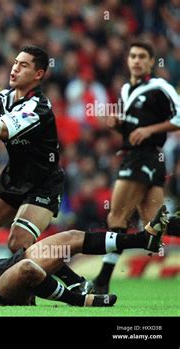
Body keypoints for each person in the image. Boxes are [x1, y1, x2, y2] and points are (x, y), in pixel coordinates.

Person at [0, 45, 91, 293]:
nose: (15, 68)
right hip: (12, 180)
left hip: (42, 184)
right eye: (15, 62)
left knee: (18, 243)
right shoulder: (5, 98)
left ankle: (74, 282)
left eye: (23, 65)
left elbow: (2, 129)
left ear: (38, 74)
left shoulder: (39, 107)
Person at [0, 205, 172, 306]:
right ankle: (79, 299)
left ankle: (141, 239)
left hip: (5, 266)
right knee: (28, 269)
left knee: (68, 238)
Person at [93, 42, 180, 293]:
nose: (137, 60)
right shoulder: (125, 89)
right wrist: (118, 125)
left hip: (143, 157)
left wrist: (149, 130)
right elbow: (131, 129)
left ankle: (101, 283)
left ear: (152, 62)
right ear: (128, 60)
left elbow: (178, 117)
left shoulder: (159, 87)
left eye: (143, 56)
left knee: (116, 217)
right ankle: (101, 282)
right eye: (133, 56)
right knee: (154, 223)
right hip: (143, 158)